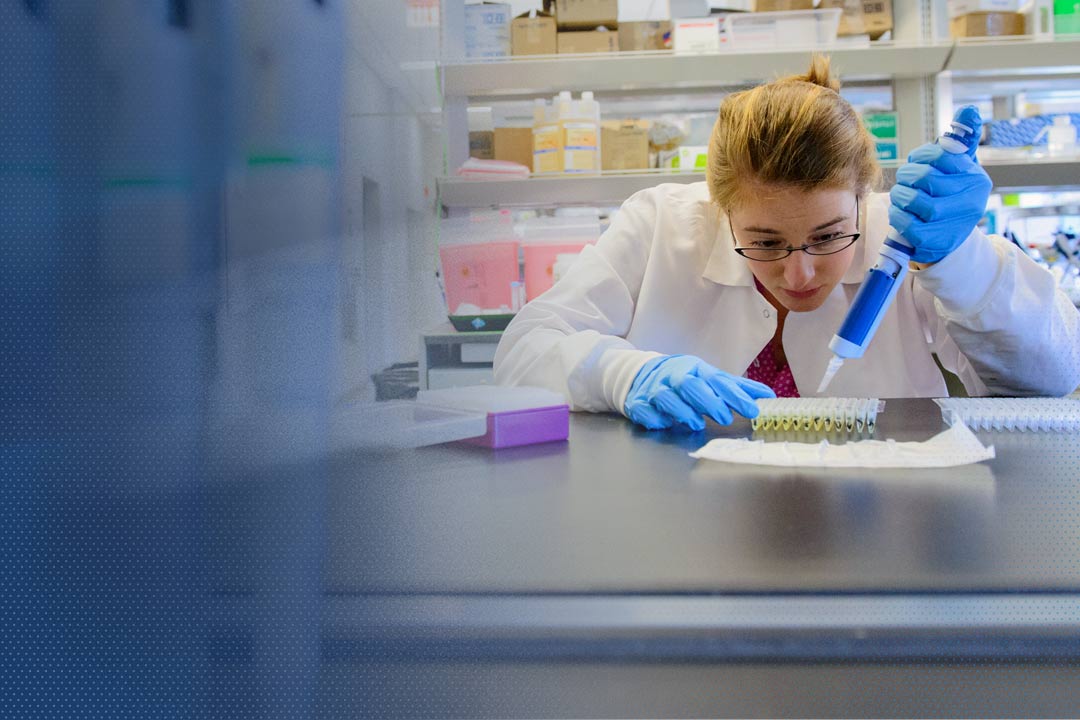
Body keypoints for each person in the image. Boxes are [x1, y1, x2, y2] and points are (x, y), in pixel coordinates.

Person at [494, 55, 1080, 432]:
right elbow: (524, 348)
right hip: (688, 528)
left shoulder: (903, 237)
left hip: (885, 526)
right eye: (765, 242)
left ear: (861, 197)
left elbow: (1053, 376)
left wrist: (962, 262)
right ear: (721, 207)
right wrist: (621, 373)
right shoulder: (658, 225)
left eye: (828, 237)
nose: (800, 275)